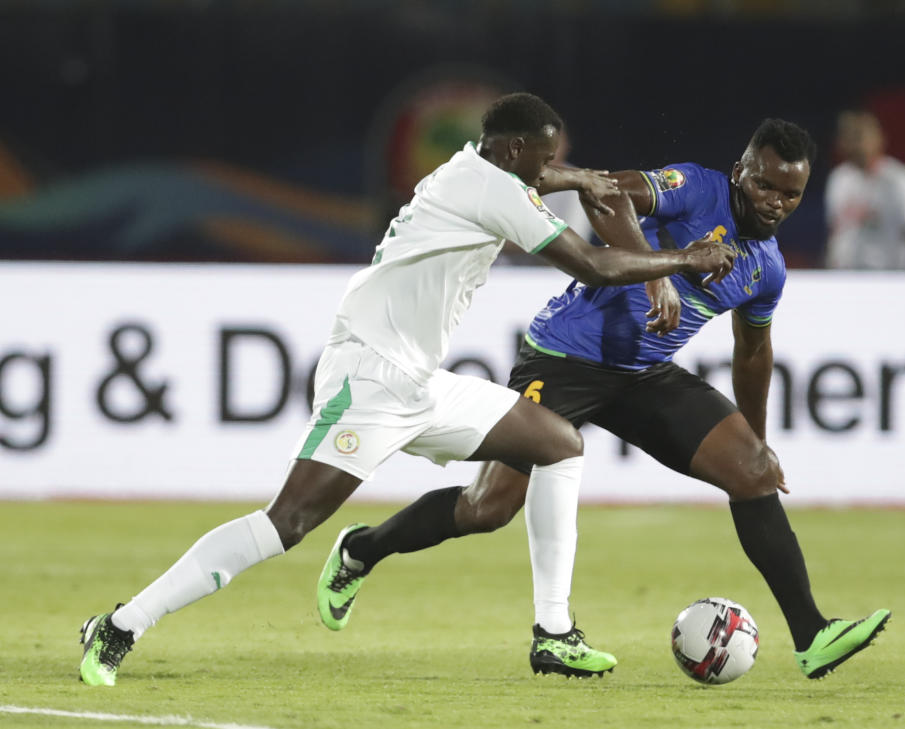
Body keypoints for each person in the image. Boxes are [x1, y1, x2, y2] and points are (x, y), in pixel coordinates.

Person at [78, 92, 736, 687]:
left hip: (416, 379)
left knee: (558, 443)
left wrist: (577, 175)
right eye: (543, 158)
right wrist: (685, 260)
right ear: (511, 151)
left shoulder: (473, 167)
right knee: (288, 522)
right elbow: (592, 263)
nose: (549, 170)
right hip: (367, 375)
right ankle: (121, 624)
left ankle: (554, 633)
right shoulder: (496, 190)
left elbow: (540, 178)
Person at [317, 118, 891, 681]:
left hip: (642, 374)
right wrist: (655, 275)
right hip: (564, 357)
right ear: (740, 171)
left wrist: (758, 436)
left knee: (754, 472)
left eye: (790, 194)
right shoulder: (696, 188)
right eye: (764, 184)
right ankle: (362, 549)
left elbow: (753, 352)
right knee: (487, 508)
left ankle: (813, 635)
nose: (774, 202)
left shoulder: (767, 269)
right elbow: (606, 194)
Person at [824, 110, 905, 270]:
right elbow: (834, 236)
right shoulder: (839, 178)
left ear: (880, 138)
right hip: (845, 278)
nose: (854, 143)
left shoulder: (902, 180)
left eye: (859, 135)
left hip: (889, 280)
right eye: (848, 136)